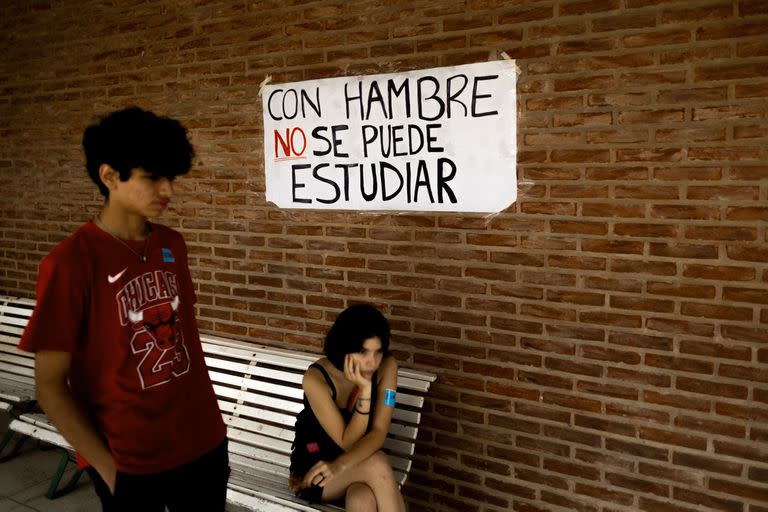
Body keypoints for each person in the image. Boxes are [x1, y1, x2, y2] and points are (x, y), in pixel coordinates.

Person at [18, 107, 229, 511]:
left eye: (171, 177)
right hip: (130, 460)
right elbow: (49, 385)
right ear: (110, 176)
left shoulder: (173, 245)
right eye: (153, 177)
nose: (167, 190)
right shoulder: (70, 263)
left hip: (202, 442)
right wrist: (108, 469)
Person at [289, 303, 406, 511]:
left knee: (361, 499)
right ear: (345, 348)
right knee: (377, 463)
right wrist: (367, 390)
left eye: (377, 352)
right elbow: (347, 442)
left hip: (357, 464)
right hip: (315, 471)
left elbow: (379, 432)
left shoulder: (388, 366)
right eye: (363, 352)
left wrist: (341, 465)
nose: (372, 362)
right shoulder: (316, 380)